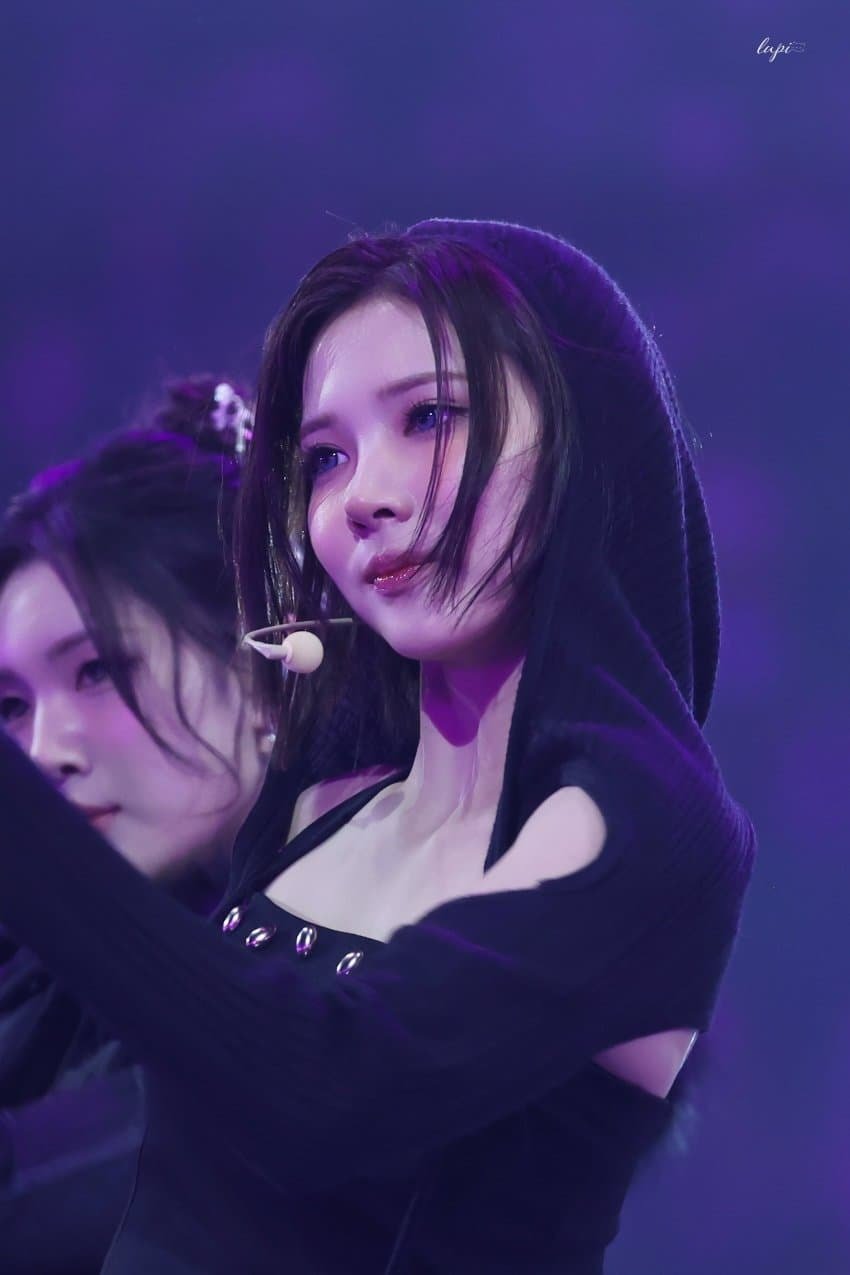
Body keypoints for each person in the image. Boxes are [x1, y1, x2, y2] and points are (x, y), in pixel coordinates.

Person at [0, 219, 757, 1274]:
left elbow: (324, 1092)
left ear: (582, 432)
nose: (363, 496)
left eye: (429, 418)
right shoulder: (322, 803)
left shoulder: (644, 825)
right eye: (325, 457)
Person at [0, 376, 271, 1273]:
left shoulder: (366, 970)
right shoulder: (35, 990)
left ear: (259, 668)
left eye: (97, 672)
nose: (43, 752)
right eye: (11, 707)